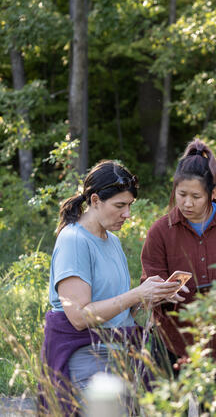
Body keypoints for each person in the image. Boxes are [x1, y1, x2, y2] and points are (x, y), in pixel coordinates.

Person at [40, 160, 179, 414]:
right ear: (95, 201)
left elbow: (116, 307)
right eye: (120, 206)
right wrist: (136, 293)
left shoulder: (112, 241)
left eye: (129, 206)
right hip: (87, 358)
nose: (127, 214)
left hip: (120, 355)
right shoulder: (74, 240)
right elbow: (80, 317)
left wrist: (149, 298)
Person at [141, 138, 216, 416]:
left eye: (195, 197)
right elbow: (148, 281)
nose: (187, 203)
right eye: (181, 194)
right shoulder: (161, 231)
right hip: (171, 341)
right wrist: (163, 291)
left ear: (212, 192)